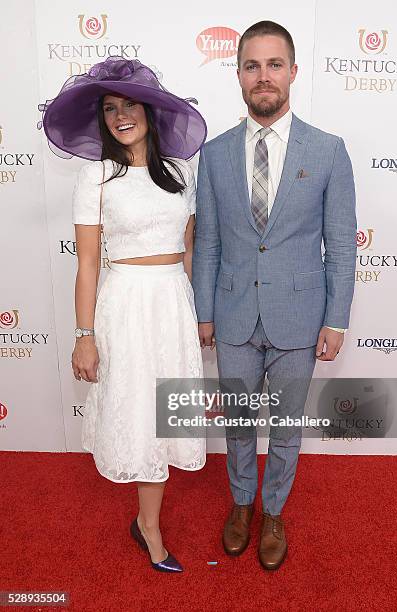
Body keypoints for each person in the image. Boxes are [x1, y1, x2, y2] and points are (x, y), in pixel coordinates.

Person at [192, 21, 357, 570]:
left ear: (292, 72)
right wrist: (204, 312)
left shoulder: (329, 150)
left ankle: (274, 512)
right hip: (235, 314)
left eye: (274, 64)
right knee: (238, 423)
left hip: (299, 317)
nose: (264, 77)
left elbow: (340, 245)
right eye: (252, 66)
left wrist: (336, 319)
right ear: (239, 75)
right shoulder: (212, 155)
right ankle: (241, 505)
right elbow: (210, 242)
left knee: (286, 428)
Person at [39, 56, 207, 573]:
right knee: (137, 414)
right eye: (110, 108)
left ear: (151, 110)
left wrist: (199, 314)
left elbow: (191, 249)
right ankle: (149, 527)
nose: (120, 115)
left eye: (130, 103)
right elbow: (88, 264)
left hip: (171, 302)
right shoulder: (95, 178)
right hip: (126, 303)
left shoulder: (180, 171)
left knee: (165, 414)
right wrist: (83, 335)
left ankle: (145, 520)